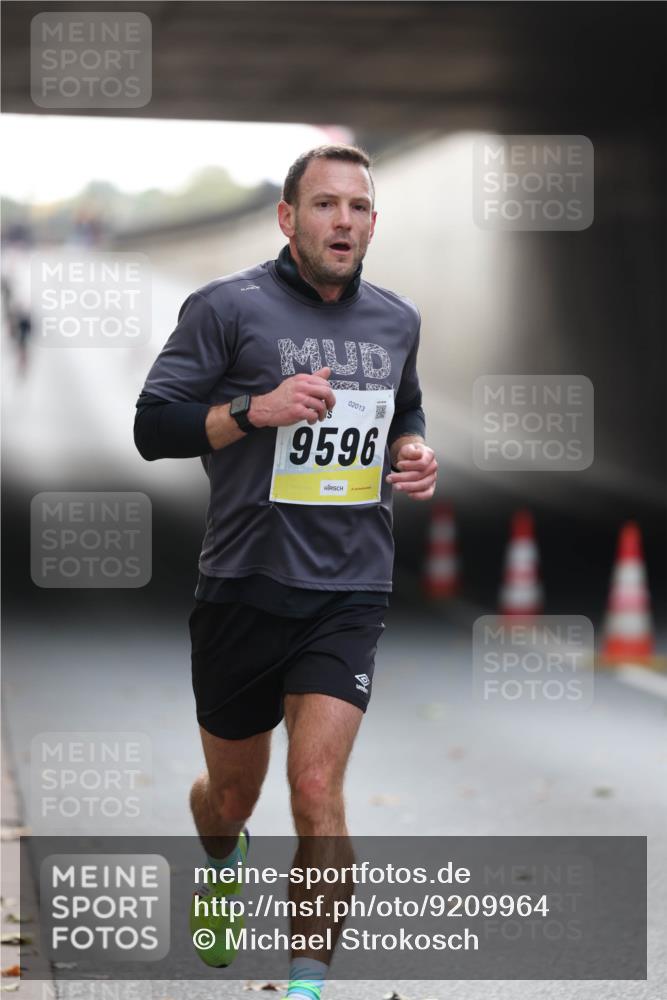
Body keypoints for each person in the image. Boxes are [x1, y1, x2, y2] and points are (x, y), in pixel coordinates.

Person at [134, 144, 437, 999]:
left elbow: (405, 405)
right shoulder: (226, 308)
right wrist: (253, 410)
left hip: (349, 589)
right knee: (232, 798)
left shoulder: (396, 319)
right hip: (242, 585)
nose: (343, 221)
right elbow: (153, 427)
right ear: (287, 217)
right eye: (325, 204)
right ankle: (220, 859)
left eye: (358, 207)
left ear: (372, 223)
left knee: (314, 788)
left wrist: (413, 448)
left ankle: (305, 987)